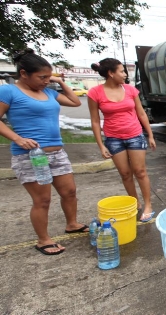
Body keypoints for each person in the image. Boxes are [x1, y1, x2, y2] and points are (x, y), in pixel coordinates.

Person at [0, 48, 87, 255]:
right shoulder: (9, 91)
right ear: (23, 74)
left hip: (58, 152)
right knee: (42, 200)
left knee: (69, 192)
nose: (46, 81)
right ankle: (43, 239)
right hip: (32, 156)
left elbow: (75, 102)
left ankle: (72, 224)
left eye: (49, 77)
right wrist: (17, 139)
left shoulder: (48, 92)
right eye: (42, 77)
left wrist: (60, 82)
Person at [88, 58, 157, 222]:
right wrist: (100, 145)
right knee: (126, 174)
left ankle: (148, 205)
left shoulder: (131, 90)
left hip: (135, 135)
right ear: (111, 74)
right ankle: (135, 204)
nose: (125, 75)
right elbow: (95, 121)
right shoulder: (95, 93)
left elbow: (141, 114)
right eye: (122, 71)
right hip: (113, 139)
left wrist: (151, 135)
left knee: (140, 172)